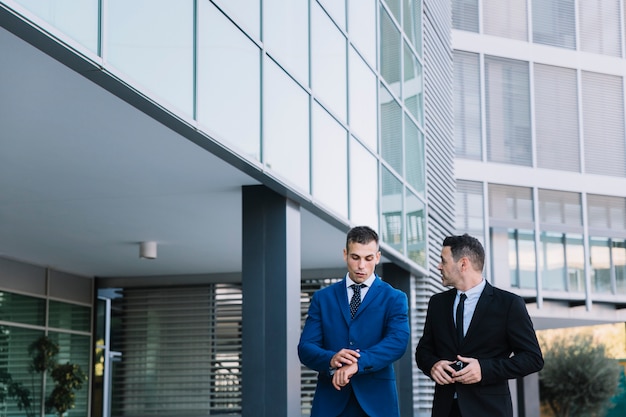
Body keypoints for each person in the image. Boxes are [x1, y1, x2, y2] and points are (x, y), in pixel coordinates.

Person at [416, 234, 544, 417]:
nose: (439, 266)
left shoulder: (508, 304)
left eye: (443, 260)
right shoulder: (437, 303)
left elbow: (533, 358)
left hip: (490, 410)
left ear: (463, 264)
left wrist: (484, 370)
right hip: (445, 410)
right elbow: (423, 351)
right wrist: (433, 365)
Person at [298, 226, 410, 417]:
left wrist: (358, 363)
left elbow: (397, 343)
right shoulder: (322, 298)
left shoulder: (394, 298)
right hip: (330, 402)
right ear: (345, 254)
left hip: (377, 404)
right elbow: (306, 347)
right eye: (355, 257)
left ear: (377, 257)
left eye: (368, 258)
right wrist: (331, 359)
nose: (361, 266)